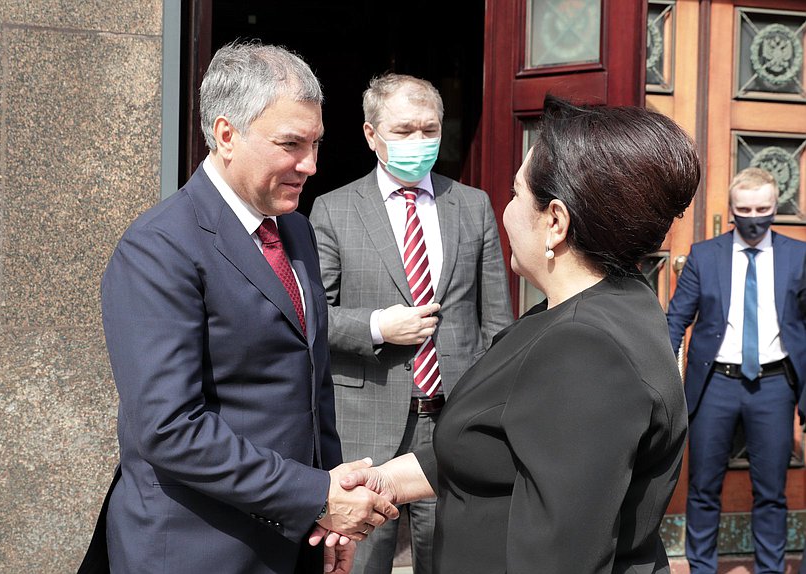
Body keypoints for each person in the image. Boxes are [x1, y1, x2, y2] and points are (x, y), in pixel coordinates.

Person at [324, 95, 700, 573]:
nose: (506, 210)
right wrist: (386, 483)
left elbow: (560, 555)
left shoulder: (587, 351)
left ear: (556, 222)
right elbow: (500, 447)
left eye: (517, 194)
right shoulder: (586, 310)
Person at [89, 42, 399, 574]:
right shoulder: (160, 246)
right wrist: (316, 498)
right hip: (196, 550)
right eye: (290, 144)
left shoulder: (296, 230)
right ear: (227, 135)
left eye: (316, 143)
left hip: (292, 541)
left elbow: (309, 387)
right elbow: (169, 429)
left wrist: (327, 519)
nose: (311, 165)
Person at [308, 73, 513, 573]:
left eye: (430, 130)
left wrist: (494, 413)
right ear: (371, 135)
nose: (419, 143)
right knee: (361, 559)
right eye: (403, 131)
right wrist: (379, 326)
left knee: (454, 558)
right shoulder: (333, 211)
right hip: (367, 421)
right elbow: (313, 317)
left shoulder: (471, 205)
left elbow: (497, 323)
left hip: (455, 420)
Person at [666, 167, 806, 574]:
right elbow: (677, 321)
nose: (754, 216)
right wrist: (664, 384)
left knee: (771, 492)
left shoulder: (798, 256)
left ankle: (768, 568)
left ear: (776, 206)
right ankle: (703, 568)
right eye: (744, 208)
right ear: (731, 209)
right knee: (704, 487)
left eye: (763, 208)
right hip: (715, 385)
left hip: (775, 385)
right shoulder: (704, 256)